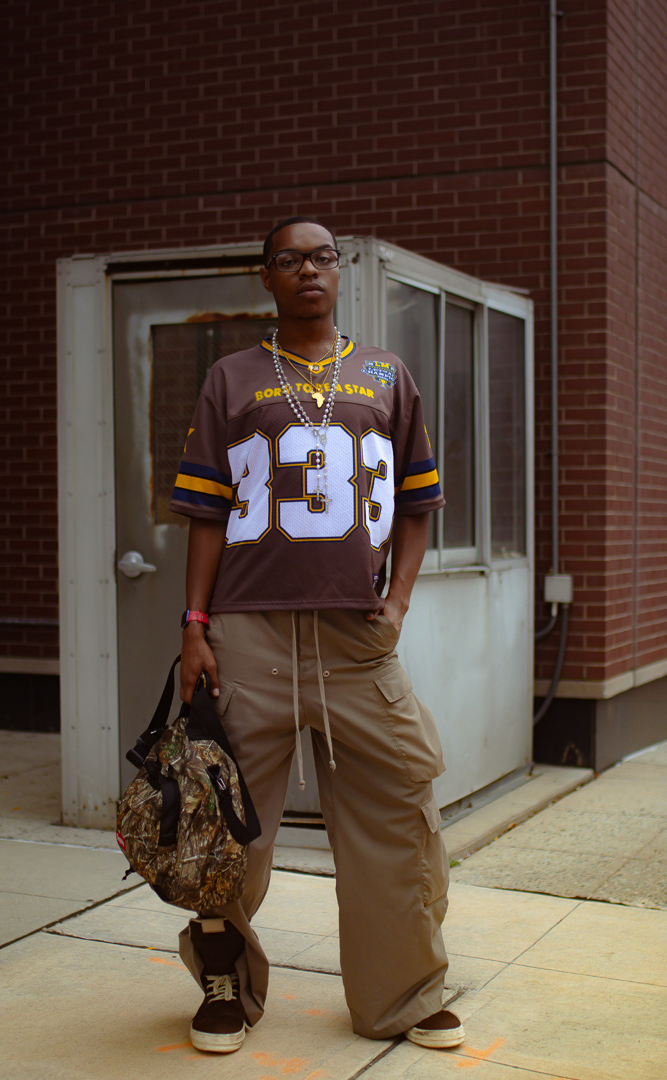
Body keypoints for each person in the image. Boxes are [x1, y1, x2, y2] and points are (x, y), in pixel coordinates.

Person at [169, 216, 464, 1054]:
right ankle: (225, 985)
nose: (309, 270)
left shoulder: (386, 373)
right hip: (248, 637)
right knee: (224, 826)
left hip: (357, 643)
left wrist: (398, 602)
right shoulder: (231, 376)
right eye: (290, 259)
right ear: (265, 277)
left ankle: (403, 994)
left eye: (323, 257)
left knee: (398, 816)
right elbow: (206, 514)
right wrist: (195, 626)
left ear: (341, 272)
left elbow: (418, 504)